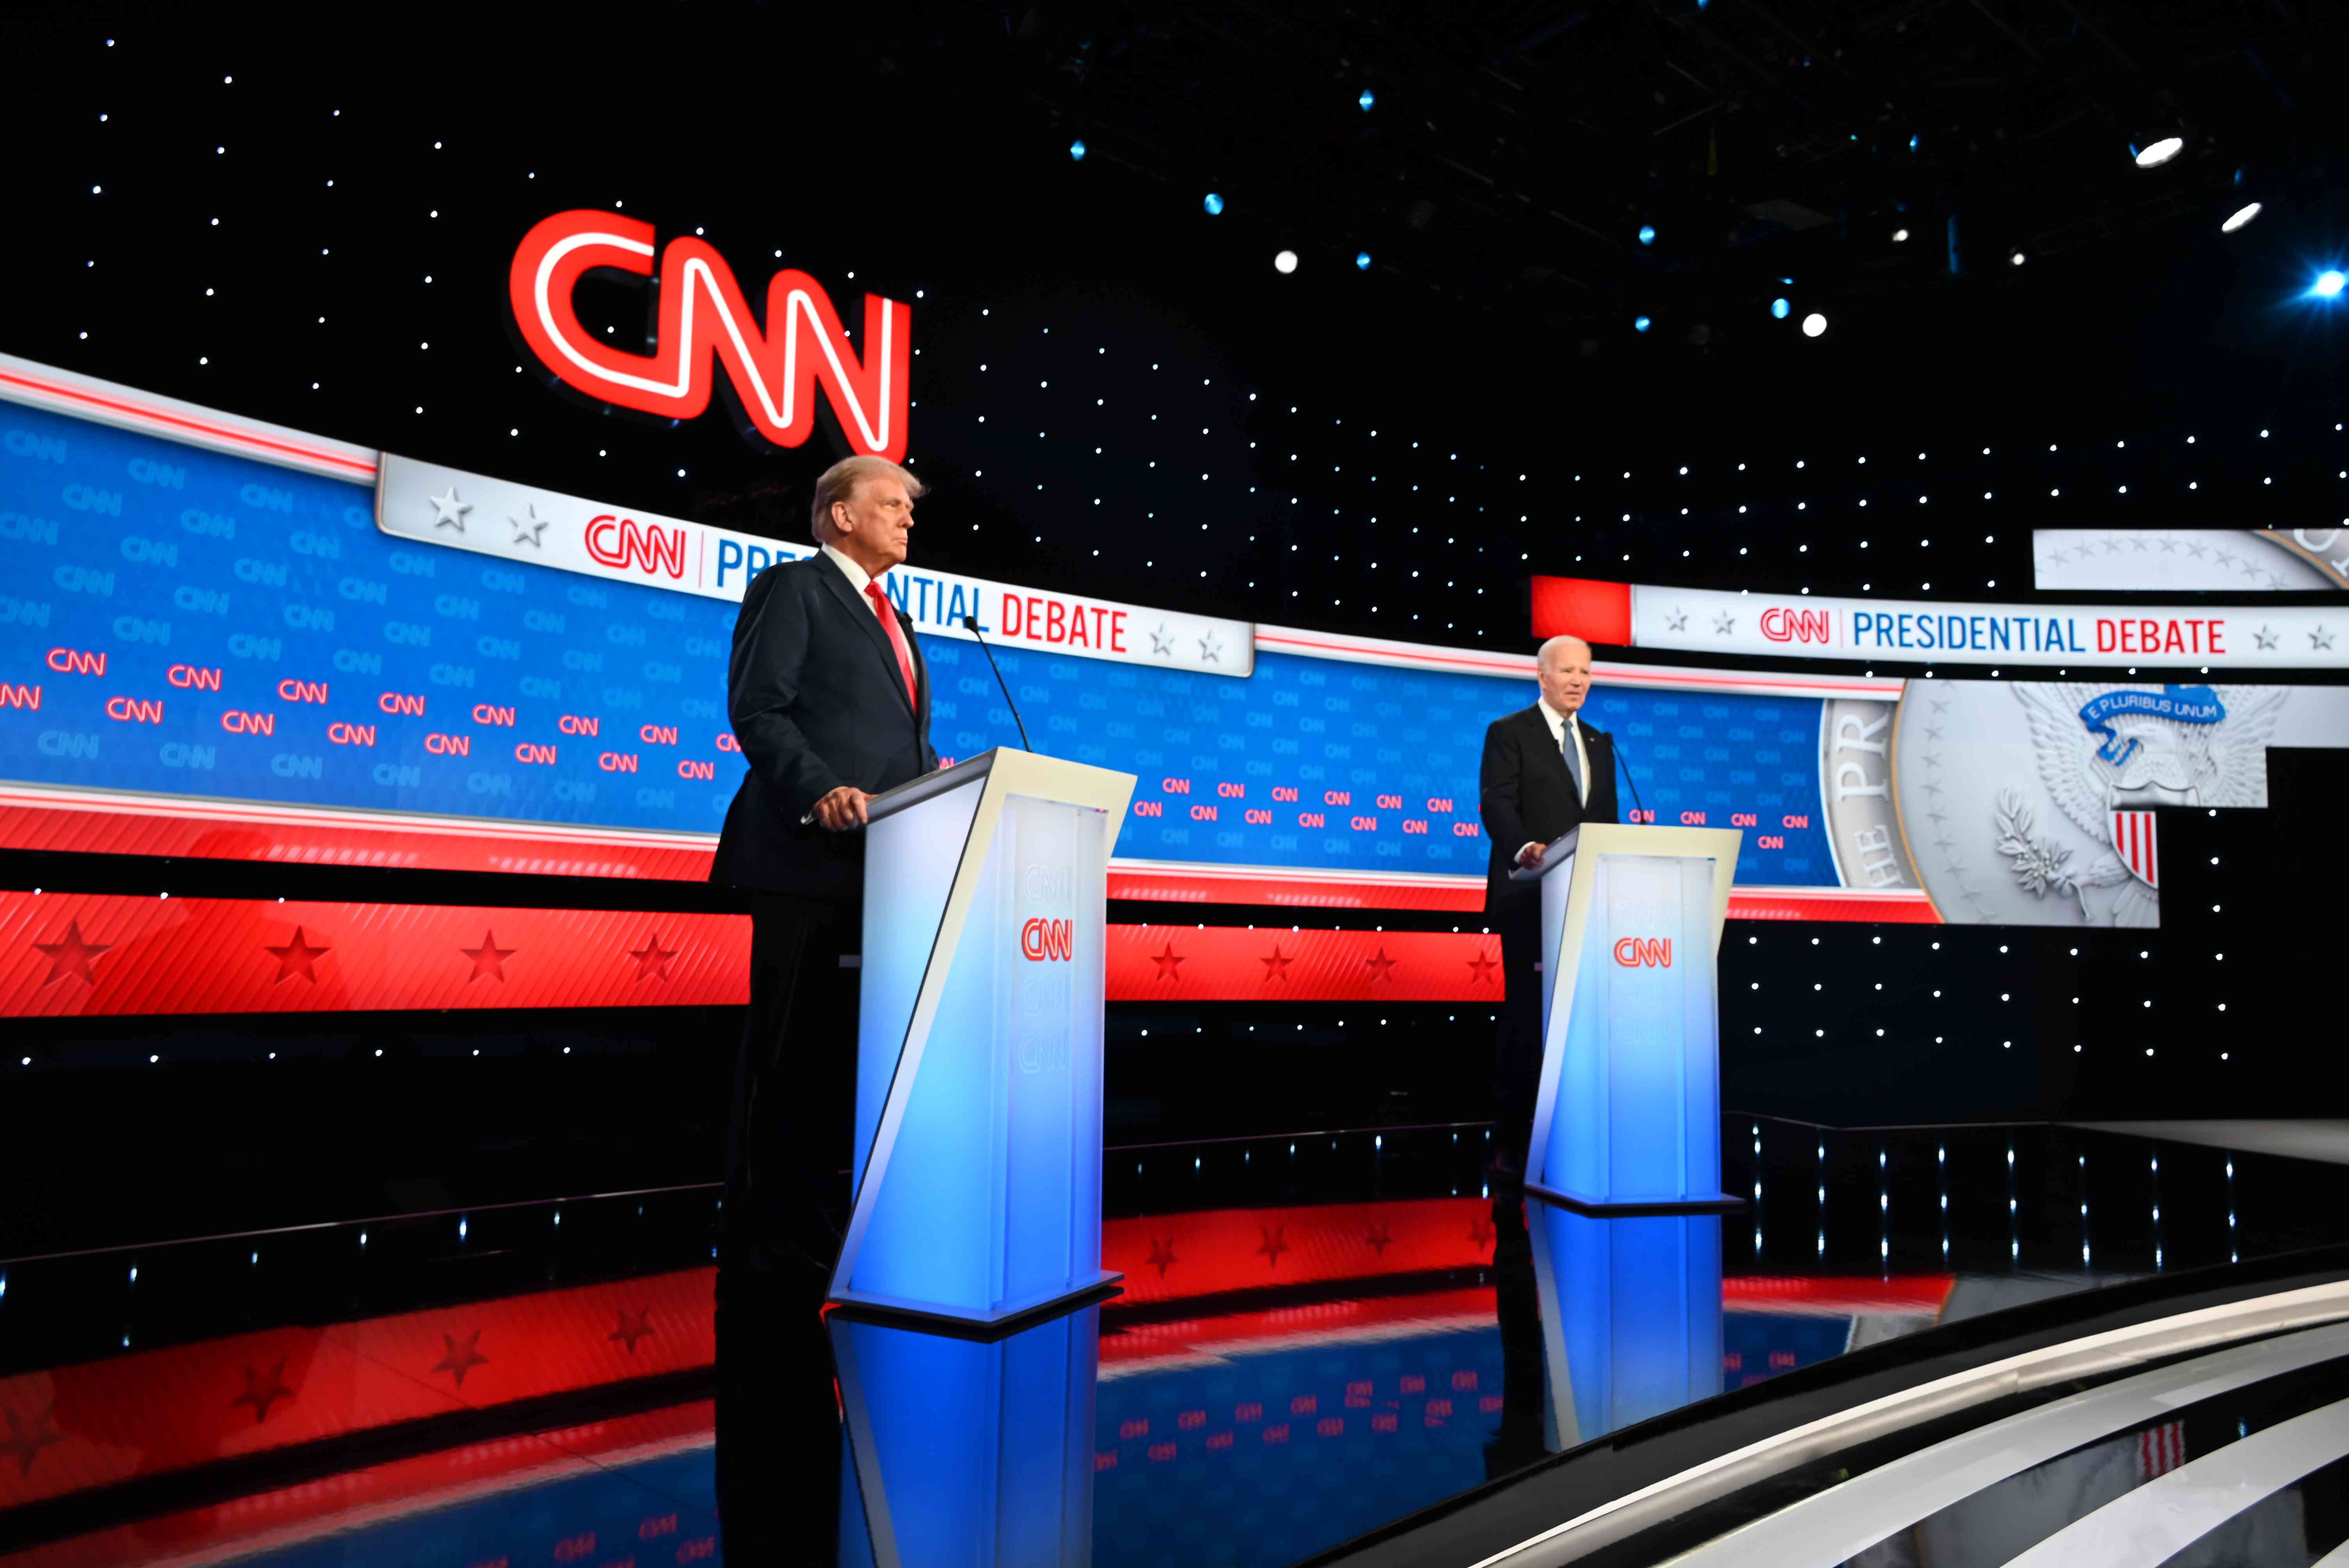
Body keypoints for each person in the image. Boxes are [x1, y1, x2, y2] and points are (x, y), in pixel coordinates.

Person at [711, 454, 936, 1297]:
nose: (907, 518)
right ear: (840, 515)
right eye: (891, 504)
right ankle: (762, 1244)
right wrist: (820, 791)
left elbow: (896, 744)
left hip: (880, 872)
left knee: (846, 1061)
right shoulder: (792, 588)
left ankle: (825, 1234)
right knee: (788, 1059)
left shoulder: (899, 622)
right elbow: (757, 707)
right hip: (804, 857)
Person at [1477, 634, 1619, 1181]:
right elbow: (1496, 802)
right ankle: (1516, 1137)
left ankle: (1577, 1128)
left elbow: (1603, 819)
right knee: (1527, 1013)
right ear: (1543, 676)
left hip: (1587, 900)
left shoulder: (1600, 742)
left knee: (1583, 1014)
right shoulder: (1509, 732)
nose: (1579, 681)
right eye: (1568, 672)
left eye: (1586, 671)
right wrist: (1523, 848)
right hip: (1529, 896)